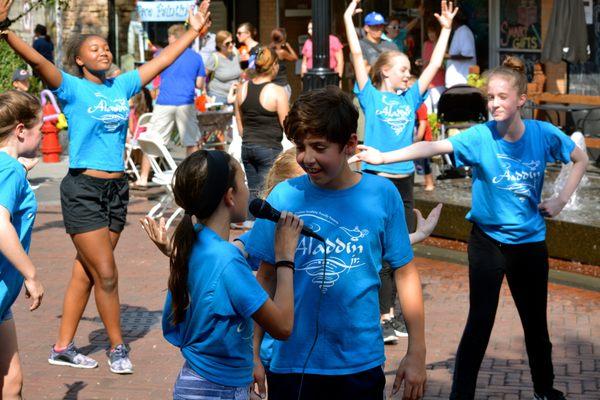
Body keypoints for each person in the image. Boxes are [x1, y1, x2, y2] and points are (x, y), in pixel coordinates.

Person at [349, 56, 589, 400]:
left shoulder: (542, 134)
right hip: (487, 242)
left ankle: (544, 391)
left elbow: (579, 159)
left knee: (536, 327)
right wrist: (385, 157)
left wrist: (560, 200)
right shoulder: (480, 137)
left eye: (502, 97)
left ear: (521, 99)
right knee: (479, 324)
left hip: (529, 244)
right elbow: (432, 146)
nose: (494, 103)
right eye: (490, 97)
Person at [0, 0, 211, 374]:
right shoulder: (72, 88)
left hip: (117, 191)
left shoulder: (122, 85)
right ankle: (117, 347)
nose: (105, 52)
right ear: (79, 59)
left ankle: (63, 346)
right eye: (95, 49)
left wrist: (193, 31)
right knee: (107, 274)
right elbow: (38, 62)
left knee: (87, 269)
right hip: (83, 190)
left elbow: (161, 62)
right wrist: (5, 32)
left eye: (107, 47)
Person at [244, 85, 426, 400]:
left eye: (319, 147)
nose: (307, 158)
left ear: (350, 144)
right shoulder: (284, 196)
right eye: (300, 146)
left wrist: (417, 352)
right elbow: (265, 279)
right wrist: (252, 352)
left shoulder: (382, 195)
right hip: (290, 366)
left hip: (359, 365)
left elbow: (405, 272)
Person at [346, 0, 456, 343]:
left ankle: (393, 313)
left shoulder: (410, 99)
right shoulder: (371, 97)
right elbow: (355, 55)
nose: (408, 73)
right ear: (384, 73)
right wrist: (349, 20)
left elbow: (436, 63)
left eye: (409, 69)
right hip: (376, 180)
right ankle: (383, 316)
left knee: (401, 249)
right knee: (378, 250)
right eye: (403, 69)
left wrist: (447, 29)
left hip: (404, 181)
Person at [161, 150, 302, 399]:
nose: (249, 188)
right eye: (244, 182)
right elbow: (282, 326)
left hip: (196, 378)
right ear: (230, 196)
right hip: (216, 388)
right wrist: (284, 258)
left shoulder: (193, 241)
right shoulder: (228, 261)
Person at [0, 90, 45, 400]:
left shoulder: (11, 169)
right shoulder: (9, 170)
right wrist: (30, 274)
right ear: (20, 131)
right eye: (40, 127)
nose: (43, 133)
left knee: (12, 383)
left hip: (3, 298)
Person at [234, 47, 288, 223]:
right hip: (269, 147)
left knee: (254, 190)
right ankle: (263, 231)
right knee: (269, 191)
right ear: (274, 66)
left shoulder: (242, 89)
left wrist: (249, 137)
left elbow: (239, 123)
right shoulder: (277, 91)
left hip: (248, 145)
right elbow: (287, 124)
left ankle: (250, 227)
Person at [145, 24, 206, 157]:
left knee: (153, 140)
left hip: (164, 101)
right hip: (186, 102)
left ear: (172, 37)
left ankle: (144, 177)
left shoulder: (161, 54)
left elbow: (152, 76)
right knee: (191, 142)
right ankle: (192, 175)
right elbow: (200, 84)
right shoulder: (196, 57)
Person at [205, 30, 242, 104]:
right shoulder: (214, 57)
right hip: (219, 97)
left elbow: (239, 71)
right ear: (219, 45)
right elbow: (202, 77)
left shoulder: (235, 52)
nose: (231, 45)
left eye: (232, 42)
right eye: (227, 43)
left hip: (235, 96)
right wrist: (205, 95)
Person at [418, 21, 446, 113]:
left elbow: (444, 65)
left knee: (438, 107)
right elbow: (424, 59)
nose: (431, 34)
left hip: (438, 81)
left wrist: (429, 63)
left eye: (433, 32)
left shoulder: (441, 45)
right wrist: (421, 62)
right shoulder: (426, 44)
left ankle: (438, 127)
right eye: (429, 32)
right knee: (427, 109)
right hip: (426, 80)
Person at [445, 11, 476, 88]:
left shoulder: (464, 31)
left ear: (454, 20)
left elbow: (468, 55)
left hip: (462, 82)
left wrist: (448, 56)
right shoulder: (458, 32)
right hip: (456, 83)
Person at [270, 28, 298, 99]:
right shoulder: (281, 52)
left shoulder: (268, 50)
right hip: (282, 84)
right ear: (283, 39)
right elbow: (295, 58)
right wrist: (289, 46)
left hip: (270, 85)